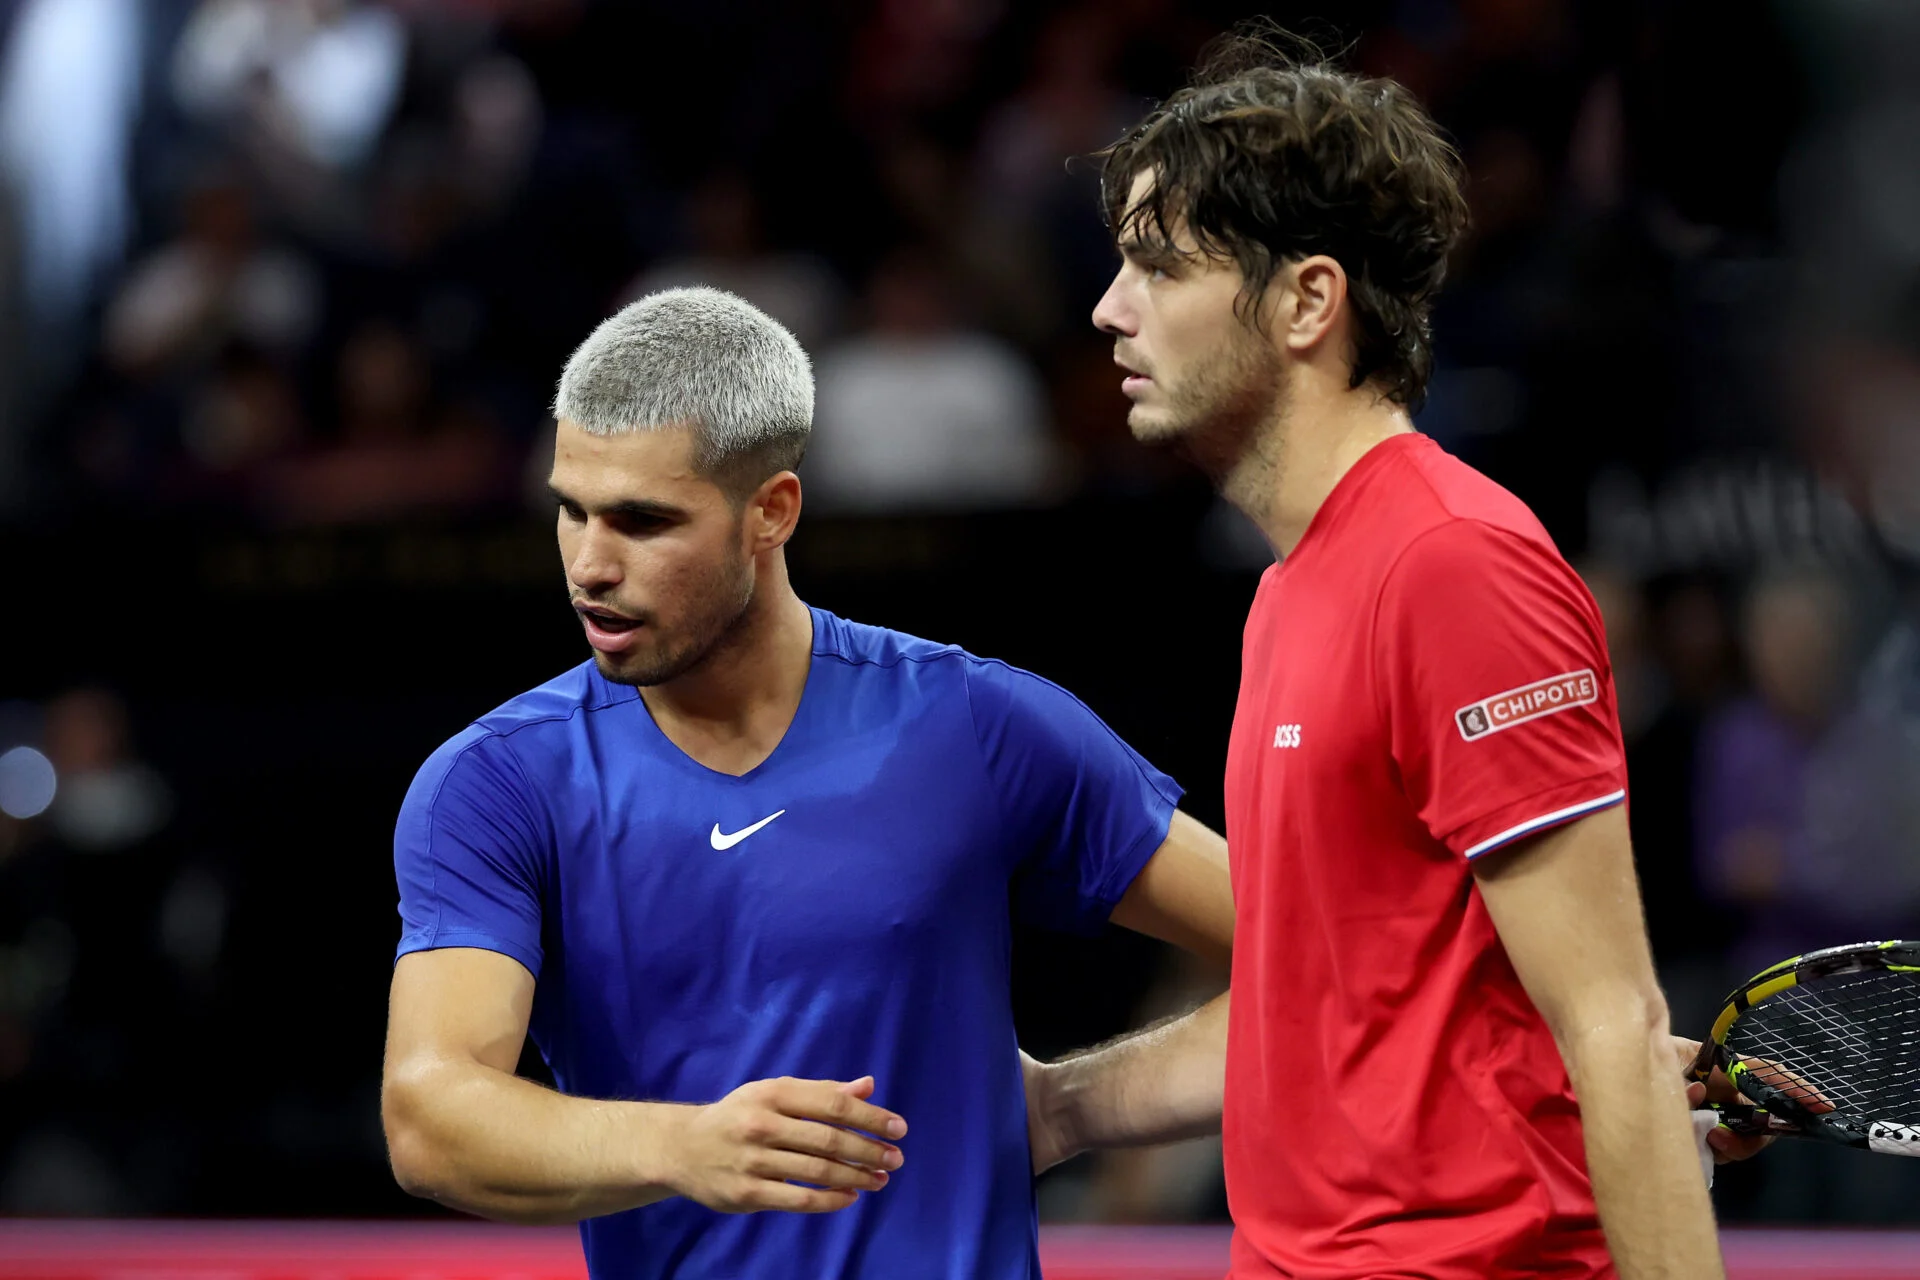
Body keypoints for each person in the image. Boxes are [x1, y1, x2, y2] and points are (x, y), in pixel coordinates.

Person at [1018, 33, 1765, 1279]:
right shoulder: (1288, 592)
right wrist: (1059, 1106)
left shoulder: (1456, 564)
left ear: (1310, 300)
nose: (1109, 306)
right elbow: (1330, 1009)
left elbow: (1618, 1026)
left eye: (1157, 263)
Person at [377, 286, 1232, 1279]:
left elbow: (1325, 957)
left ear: (771, 512)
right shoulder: (495, 783)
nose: (589, 565)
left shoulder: (974, 722)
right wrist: (684, 1146)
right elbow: (428, 1115)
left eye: (643, 520)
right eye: (571, 510)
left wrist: (1070, 1104)